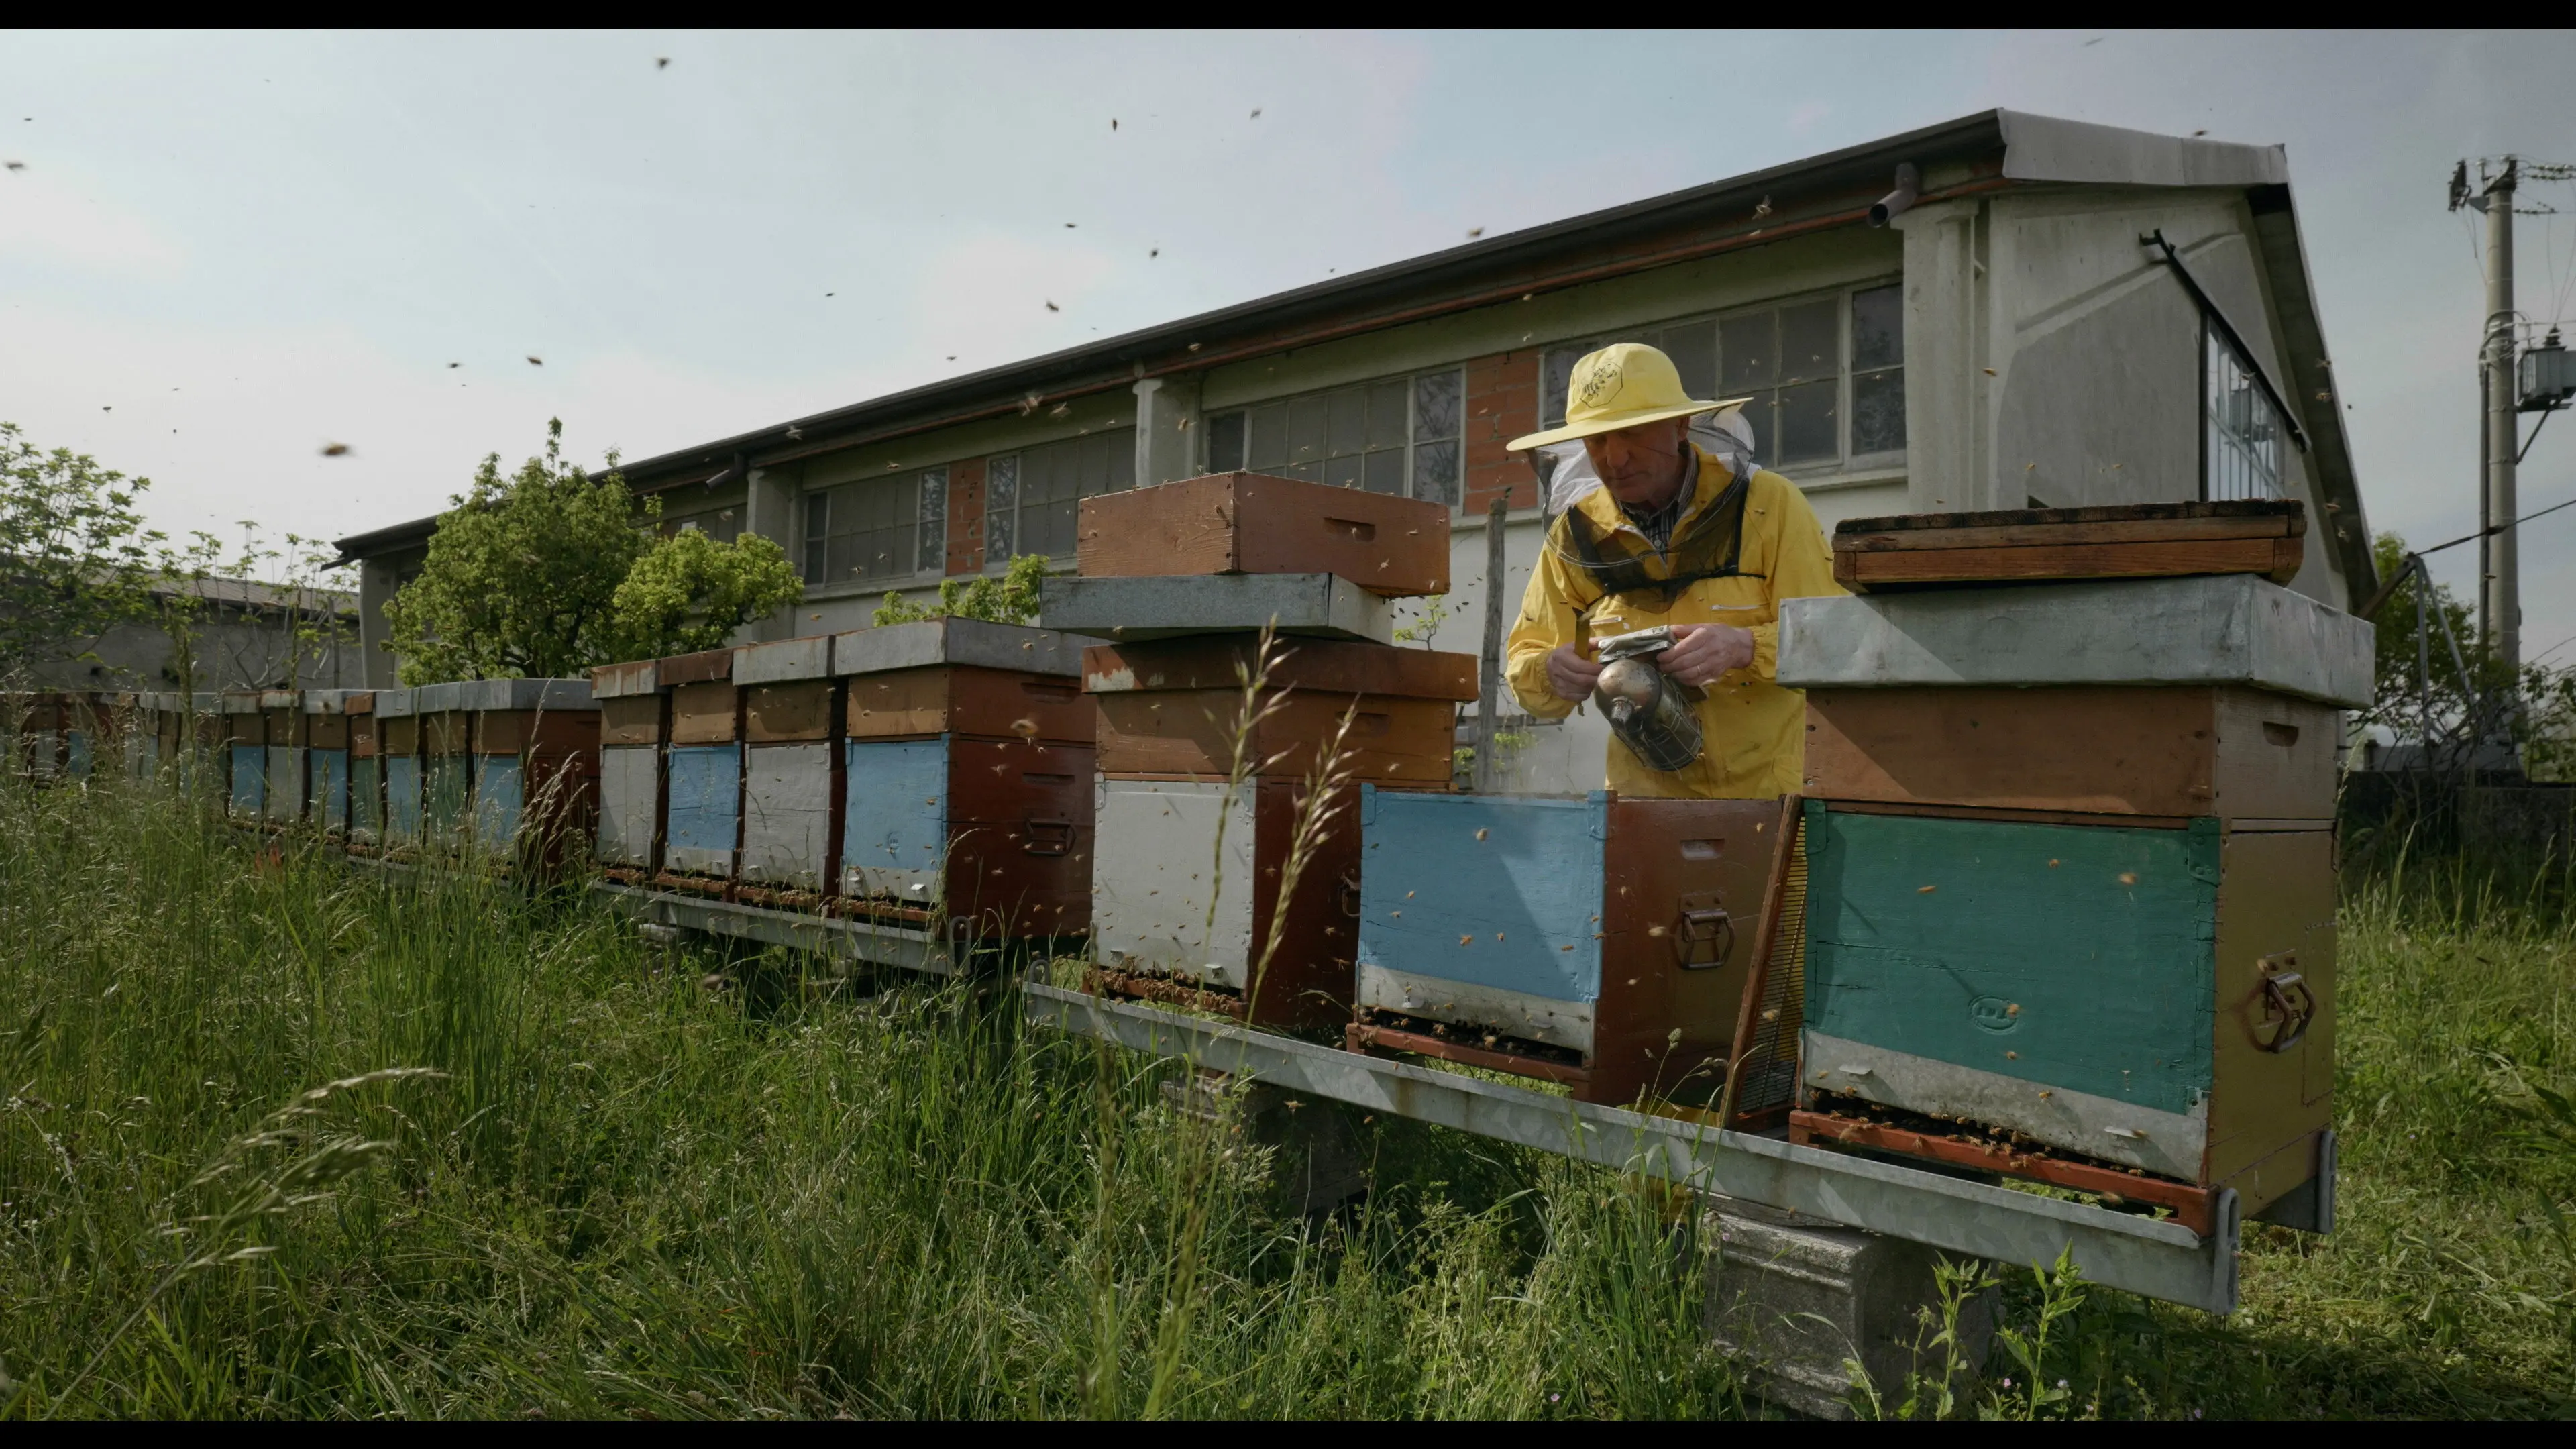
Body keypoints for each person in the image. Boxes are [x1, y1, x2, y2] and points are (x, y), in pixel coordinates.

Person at [1502, 341, 1843, 798]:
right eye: (1598, 440)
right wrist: (1552, 669)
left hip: (1773, 798)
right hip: (1643, 805)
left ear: (1681, 426)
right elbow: (1529, 662)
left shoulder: (1769, 506)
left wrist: (1745, 646)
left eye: (1633, 434)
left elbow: (1834, 639)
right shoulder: (1576, 534)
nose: (1614, 458)